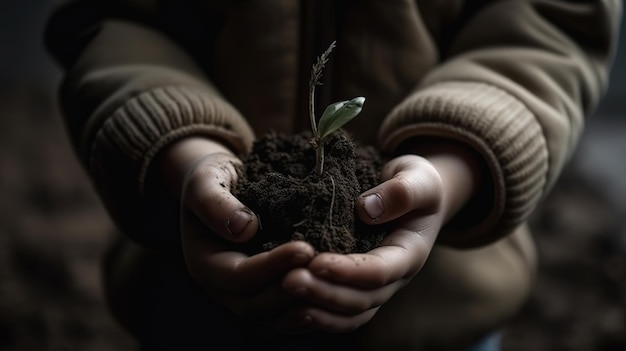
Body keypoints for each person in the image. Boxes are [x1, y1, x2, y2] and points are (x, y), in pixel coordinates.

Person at [44, 1, 621, 350]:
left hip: (442, 315)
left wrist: (451, 166)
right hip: (193, 312)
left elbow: (547, 29)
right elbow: (111, 23)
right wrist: (182, 152)